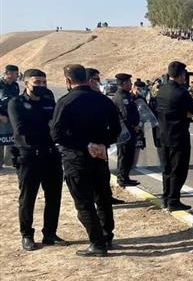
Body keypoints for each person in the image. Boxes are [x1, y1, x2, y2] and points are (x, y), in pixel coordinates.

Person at [51, 64, 121, 256]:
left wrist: (85, 145)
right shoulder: (103, 101)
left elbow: (56, 134)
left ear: (67, 81)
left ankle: (97, 243)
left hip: (77, 159)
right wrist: (102, 144)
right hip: (99, 157)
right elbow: (116, 130)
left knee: (84, 203)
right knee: (103, 198)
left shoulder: (66, 102)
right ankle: (107, 235)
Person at [8, 69, 65, 251]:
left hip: (50, 155)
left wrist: (47, 128)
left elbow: (56, 125)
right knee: (28, 198)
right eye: (37, 82)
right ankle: (27, 235)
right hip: (29, 156)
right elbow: (21, 130)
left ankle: (50, 233)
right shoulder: (16, 103)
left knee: (54, 196)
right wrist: (45, 127)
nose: (41, 86)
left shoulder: (49, 101)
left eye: (43, 82)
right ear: (26, 83)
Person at [156, 61, 193, 211]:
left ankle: (165, 198)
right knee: (178, 169)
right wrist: (185, 113)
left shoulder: (161, 90)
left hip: (163, 135)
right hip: (178, 136)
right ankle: (174, 200)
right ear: (181, 75)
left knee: (166, 169)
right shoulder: (181, 92)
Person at [86, 67, 125, 205]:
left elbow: (114, 124)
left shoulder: (102, 100)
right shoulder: (77, 99)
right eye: (97, 79)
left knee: (103, 175)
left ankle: (106, 196)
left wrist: (106, 142)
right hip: (84, 148)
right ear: (89, 80)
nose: (99, 83)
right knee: (88, 178)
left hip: (101, 145)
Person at [113, 73, 141, 187]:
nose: (131, 84)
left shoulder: (127, 95)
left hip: (131, 131)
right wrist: (134, 126)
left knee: (129, 155)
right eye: (129, 82)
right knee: (124, 155)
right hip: (125, 132)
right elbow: (125, 115)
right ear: (124, 84)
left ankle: (126, 177)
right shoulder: (120, 97)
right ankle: (122, 178)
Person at [0, 64, 20, 168]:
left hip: (11, 117)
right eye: (16, 74)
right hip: (1, 117)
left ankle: (9, 162)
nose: (18, 76)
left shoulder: (15, 85)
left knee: (10, 140)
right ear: (9, 74)